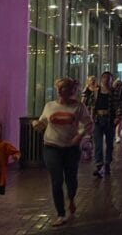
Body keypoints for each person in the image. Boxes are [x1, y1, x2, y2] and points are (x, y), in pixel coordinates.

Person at [31, 78, 92, 226]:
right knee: (56, 179)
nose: (59, 91)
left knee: (71, 179)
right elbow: (43, 122)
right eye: (58, 88)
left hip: (70, 148)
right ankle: (61, 213)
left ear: (71, 90)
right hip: (51, 146)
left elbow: (89, 124)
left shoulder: (79, 107)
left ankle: (71, 198)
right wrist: (37, 124)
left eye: (63, 88)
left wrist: (79, 136)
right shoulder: (49, 106)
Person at [89, 72, 121, 177]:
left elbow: (118, 105)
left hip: (109, 119)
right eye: (104, 78)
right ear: (101, 79)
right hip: (98, 119)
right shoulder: (96, 92)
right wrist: (91, 117)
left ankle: (107, 163)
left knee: (109, 144)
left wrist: (117, 117)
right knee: (98, 143)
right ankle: (99, 165)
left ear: (111, 80)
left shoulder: (114, 92)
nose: (106, 80)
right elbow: (91, 105)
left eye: (109, 78)